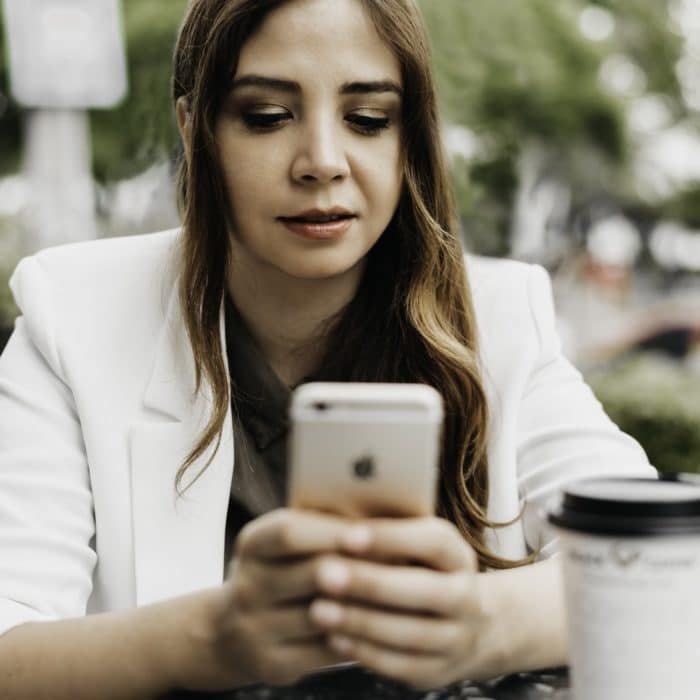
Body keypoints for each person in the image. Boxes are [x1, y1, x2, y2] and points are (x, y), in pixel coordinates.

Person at [0, 0, 656, 697]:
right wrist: (218, 637)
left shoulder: (498, 319)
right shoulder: (73, 313)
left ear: (411, 138)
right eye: (266, 117)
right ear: (195, 130)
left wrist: (473, 624)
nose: (322, 161)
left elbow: (661, 565)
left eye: (368, 119)